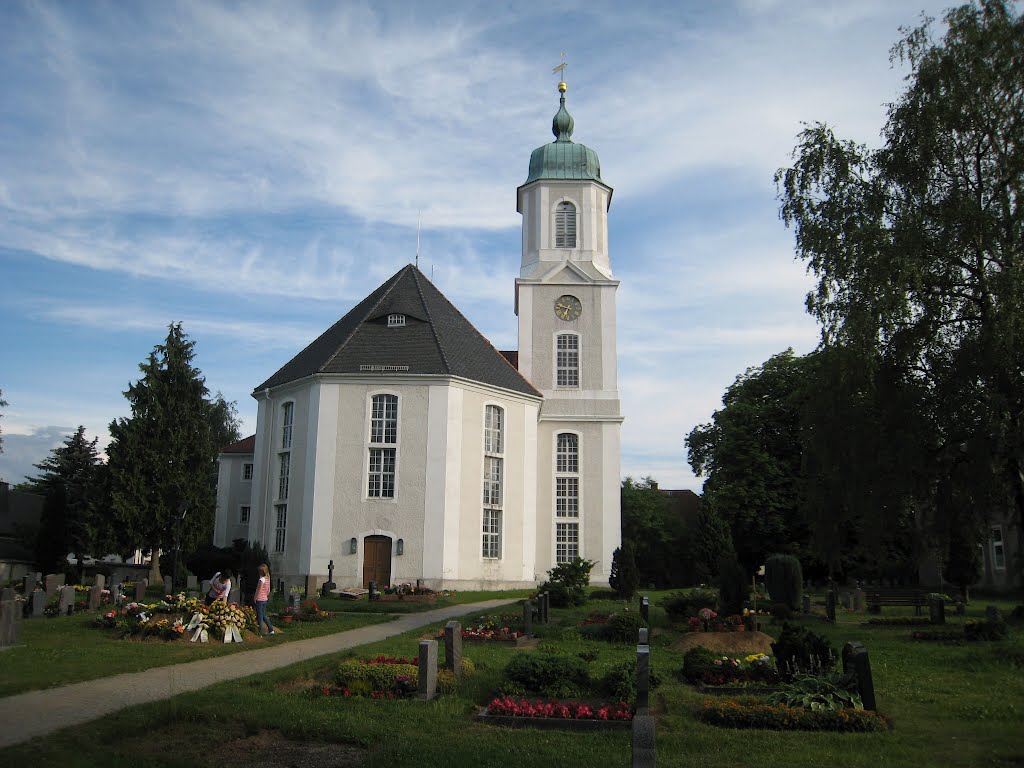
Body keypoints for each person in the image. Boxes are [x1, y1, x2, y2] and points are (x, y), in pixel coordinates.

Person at [254, 563, 276, 635]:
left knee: (259, 616)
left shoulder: (262, 579)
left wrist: (255, 597)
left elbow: (259, 589)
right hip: (265, 599)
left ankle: (259, 631)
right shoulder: (268, 579)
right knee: (264, 615)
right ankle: (271, 629)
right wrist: (266, 595)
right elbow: (268, 589)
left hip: (260, 599)